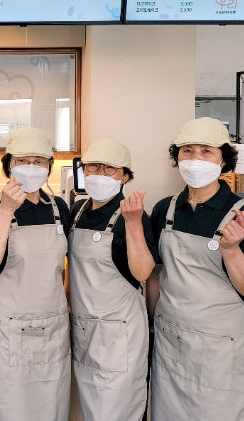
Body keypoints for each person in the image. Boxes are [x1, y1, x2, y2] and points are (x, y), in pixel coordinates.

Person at [147, 117, 244, 421]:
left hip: (219, 348)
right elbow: (156, 274)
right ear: (177, 157)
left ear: (223, 159)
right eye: (187, 151)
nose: (195, 159)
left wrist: (231, 251)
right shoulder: (165, 209)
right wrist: (152, 322)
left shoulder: (243, 214)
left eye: (206, 151)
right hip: (170, 341)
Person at [0, 126, 71, 421]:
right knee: (10, 407)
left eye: (38, 161)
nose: (31, 167)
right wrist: (6, 210)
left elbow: (67, 263)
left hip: (52, 328)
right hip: (10, 330)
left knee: (52, 408)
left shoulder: (58, 208)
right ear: (9, 166)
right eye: (23, 161)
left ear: (49, 167)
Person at [68, 139, 158, 421]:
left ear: (125, 176)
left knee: (119, 411)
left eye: (110, 169)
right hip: (85, 331)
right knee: (92, 410)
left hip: (120, 338)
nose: (99, 174)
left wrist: (133, 224)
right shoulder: (77, 211)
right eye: (93, 167)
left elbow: (143, 272)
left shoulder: (132, 215)